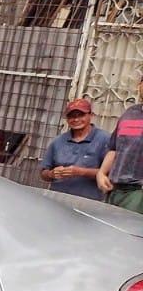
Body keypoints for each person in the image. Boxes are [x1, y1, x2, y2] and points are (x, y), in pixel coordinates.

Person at [39, 98, 110, 201]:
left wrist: (82, 172)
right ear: (67, 119)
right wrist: (52, 174)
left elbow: (110, 174)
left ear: (91, 115)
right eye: (72, 116)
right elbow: (43, 173)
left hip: (89, 203)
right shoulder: (57, 141)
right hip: (57, 201)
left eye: (81, 115)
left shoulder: (105, 139)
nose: (76, 120)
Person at [97, 73, 143, 213]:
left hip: (137, 193)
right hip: (114, 190)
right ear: (139, 85)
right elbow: (114, 148)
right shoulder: (130, 113)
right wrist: (101, 174)